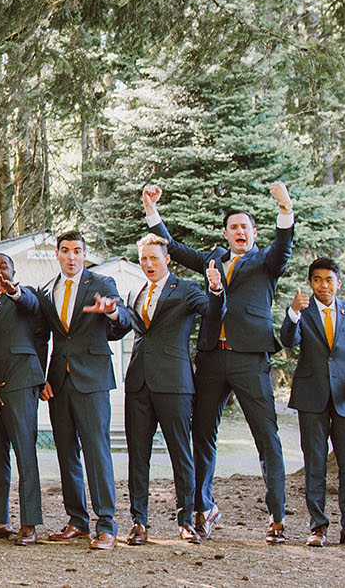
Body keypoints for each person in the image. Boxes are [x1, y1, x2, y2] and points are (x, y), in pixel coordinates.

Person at [145, 181, 294, 543]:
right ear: (226, 234)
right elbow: (174, 250)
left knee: (267, 438)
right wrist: (151, 210)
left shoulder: (267, 262)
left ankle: (276, 517)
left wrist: (285, 207)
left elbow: (284, 245)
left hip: (250, 359)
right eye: (233, 228)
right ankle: (203, 507)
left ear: (254, 233)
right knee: (203, 434)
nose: (239, 232)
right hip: (212, 358)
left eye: (245, 227)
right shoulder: (213, 260)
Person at [23, 230, 130, 550]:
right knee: (66, 451)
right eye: (65, 250)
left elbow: (123, 321)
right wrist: (42, 378)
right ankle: (77, 521)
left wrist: (110, 310)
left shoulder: (102, 284)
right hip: (59, 381)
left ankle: (107, 524)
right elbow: (42, 338)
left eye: (77, 251)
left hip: (93, 379)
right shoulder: (46, 290)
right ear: (57, 254)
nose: (71, 256)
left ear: (85, 254)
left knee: (97, 452)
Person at [280, 258, 345, 549]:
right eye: (318, 280)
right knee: (316, 465)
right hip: (312, 398)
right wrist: (294, 313)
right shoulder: (304, 313)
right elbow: (288, 341)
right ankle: (318, 528)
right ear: (310, 283)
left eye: (329, 280)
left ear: (339, 283)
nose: (324, 285)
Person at [123, 231, 208, 545]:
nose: (148, 264)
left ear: (167, 259)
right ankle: (139, 522)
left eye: (154, 258)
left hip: (174, 384)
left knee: (181, 455)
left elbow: (210, 310)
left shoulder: (185, 289)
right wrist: (109, 312)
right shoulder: (134, 293)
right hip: (138, 384)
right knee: (138, 456)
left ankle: (187, 521)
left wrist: (214, 286)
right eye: (144, 258)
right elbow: (121, 327)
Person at [0, 251, 46, 545]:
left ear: (14, 273)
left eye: (3, 267)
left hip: (19, 383)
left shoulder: (23, 298)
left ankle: (29, 523)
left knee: (25, 453)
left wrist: (14, 291)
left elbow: (29, 302)